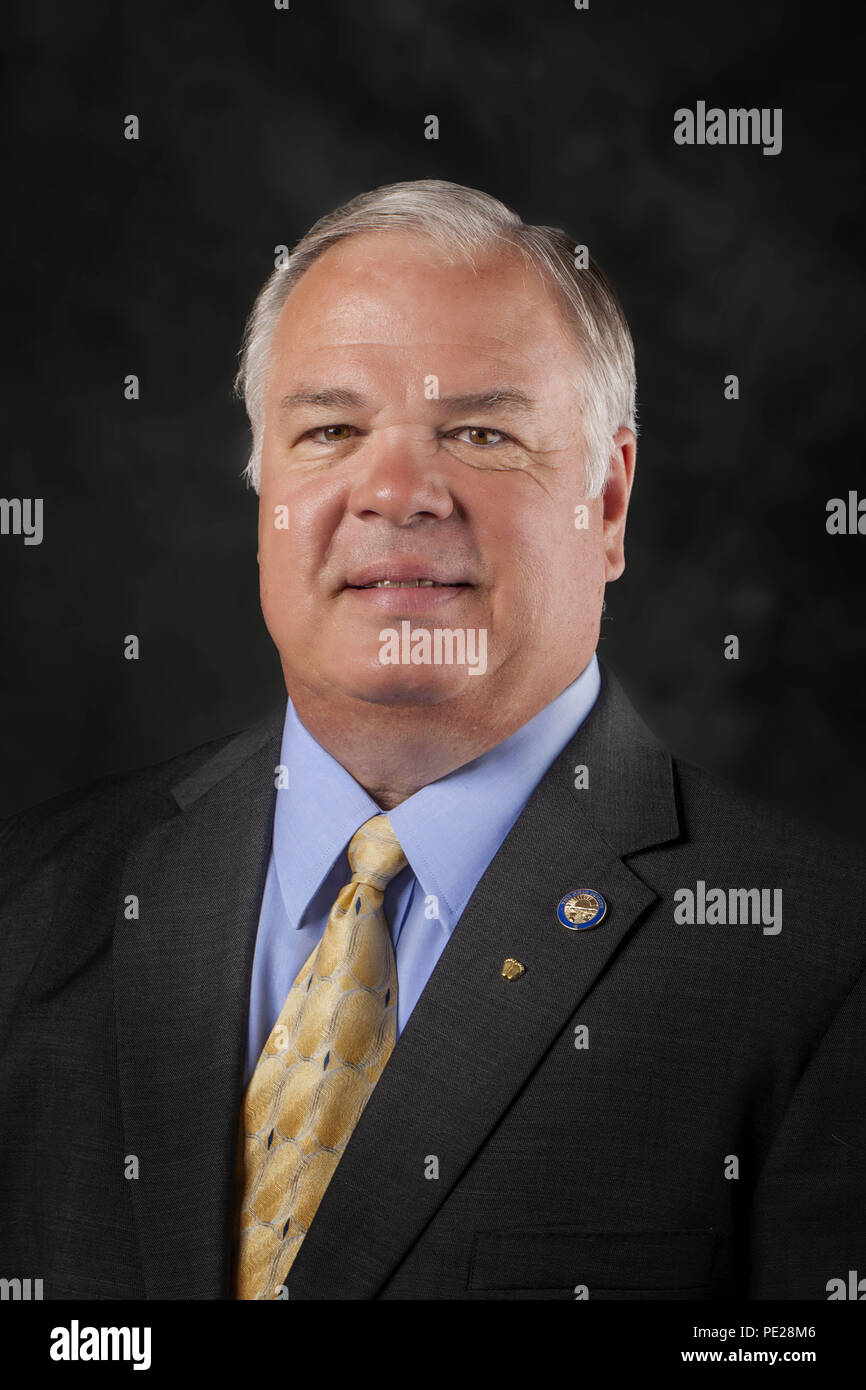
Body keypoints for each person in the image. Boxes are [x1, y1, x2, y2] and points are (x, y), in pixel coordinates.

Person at [1, 180, 863, 1301]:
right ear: (262, 488)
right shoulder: (31, 911)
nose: (398, 492)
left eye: (479, 431)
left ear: (604, 504)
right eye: (329, 429)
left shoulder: (822, 962)